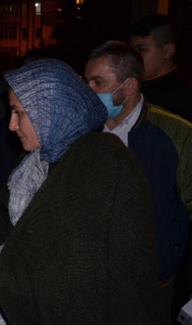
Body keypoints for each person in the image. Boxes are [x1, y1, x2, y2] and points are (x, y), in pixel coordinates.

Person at [0, 58, 163, 324]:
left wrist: (16, 283)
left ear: (50, 110)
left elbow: (87, 268)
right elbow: (11, 230)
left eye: (19, 113)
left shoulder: (102, 160)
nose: (12, 125)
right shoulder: (36, 160)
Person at [84, 40, 192, 324]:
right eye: (87, 82)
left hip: (151, 289)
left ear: (128, 87)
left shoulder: (176, 135)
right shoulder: (82, 132)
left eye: (98, 83)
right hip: (92, 285)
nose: (89, 92)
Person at [129, 14, 192, 122]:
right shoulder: (128, 89)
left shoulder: (186, 100)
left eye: (141, 49)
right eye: (131, 50)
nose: (132, 56)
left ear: (167, 51)